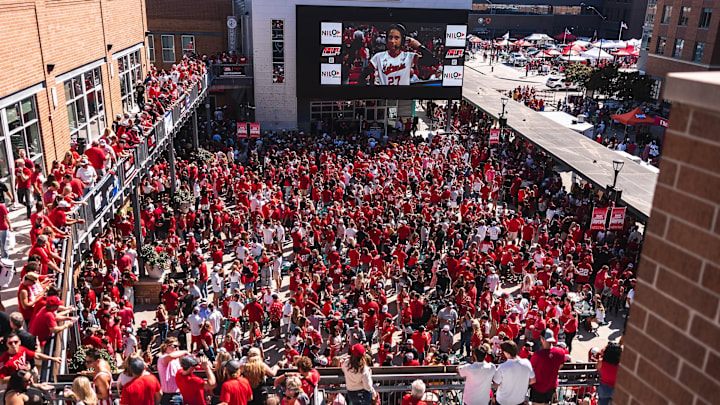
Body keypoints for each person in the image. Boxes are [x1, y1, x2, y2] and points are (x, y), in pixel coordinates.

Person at [358, 23, 439, 86]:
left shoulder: (409, 56)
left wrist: (417, 45)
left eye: (396, 38)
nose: (393, 41)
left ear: (402, 40)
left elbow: (432, 61)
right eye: (390, 37)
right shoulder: (378, 57)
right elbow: (362, 76)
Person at [529, 330, 565, 405]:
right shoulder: (561, 352)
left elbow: (530, 369)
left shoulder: (537, 355)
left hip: (538, 387)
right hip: (551, 386)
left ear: (542, 339)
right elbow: (560, 365)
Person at [157, 337, 189, 405]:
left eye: (177, 346)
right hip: (170, 396)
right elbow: (171, 356)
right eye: (174, 346)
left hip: (179, 394)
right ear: (166, 346)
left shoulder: (176, 360)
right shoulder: (162, 358)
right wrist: (185, 352)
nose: (177, 349)